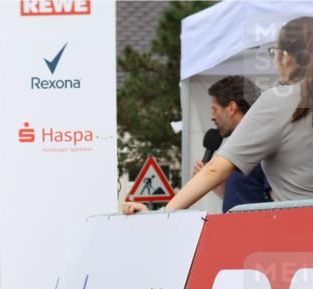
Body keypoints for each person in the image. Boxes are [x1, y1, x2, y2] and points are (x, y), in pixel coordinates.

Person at [124, 17, 313, 214]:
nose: (274, 61)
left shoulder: (278, 101)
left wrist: (162, 214)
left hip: (300, 233)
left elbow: (216, 169)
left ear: (287, 57)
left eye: (274, 52)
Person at [194, 76, 271, 212]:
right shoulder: (237, 146)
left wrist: (168, 210)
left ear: (231, 108)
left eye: (215, 109)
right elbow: (243, 196)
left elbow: (278, 201)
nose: (212, 116)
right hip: (236, 230)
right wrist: (215, 185)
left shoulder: (262, 142)